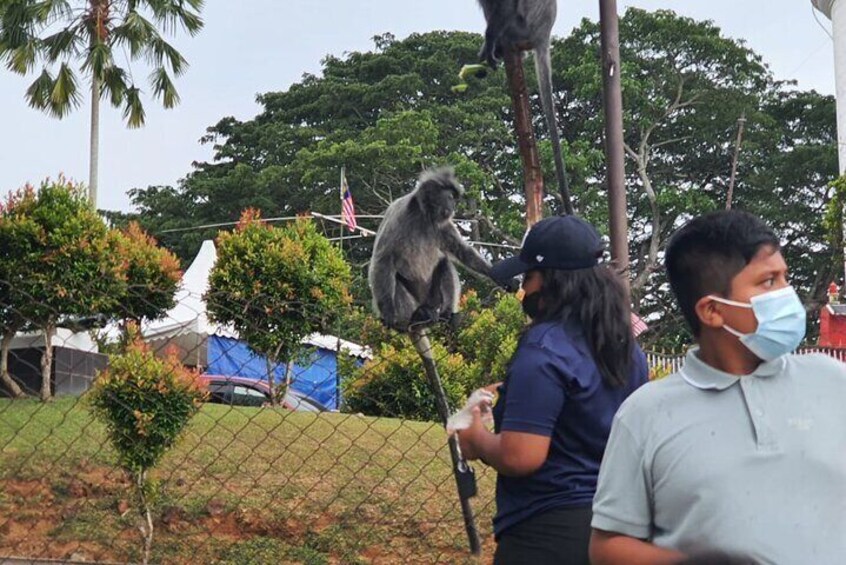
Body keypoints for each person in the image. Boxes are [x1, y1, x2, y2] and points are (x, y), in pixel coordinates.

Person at [589, 210, 846, 564]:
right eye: (768, 282)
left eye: (785, 278)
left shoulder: (833, 380)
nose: (788, 294)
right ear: (712, 311)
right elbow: (606, 547)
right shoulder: (644, 415)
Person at [456, 215, 649, 565]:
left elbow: (521, 455)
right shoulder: (625, 348)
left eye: (528, 277)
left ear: (552, 282)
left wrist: (475, 437)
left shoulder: (543, 348)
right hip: (621, 528)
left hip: (548, 534)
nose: (523, 290)